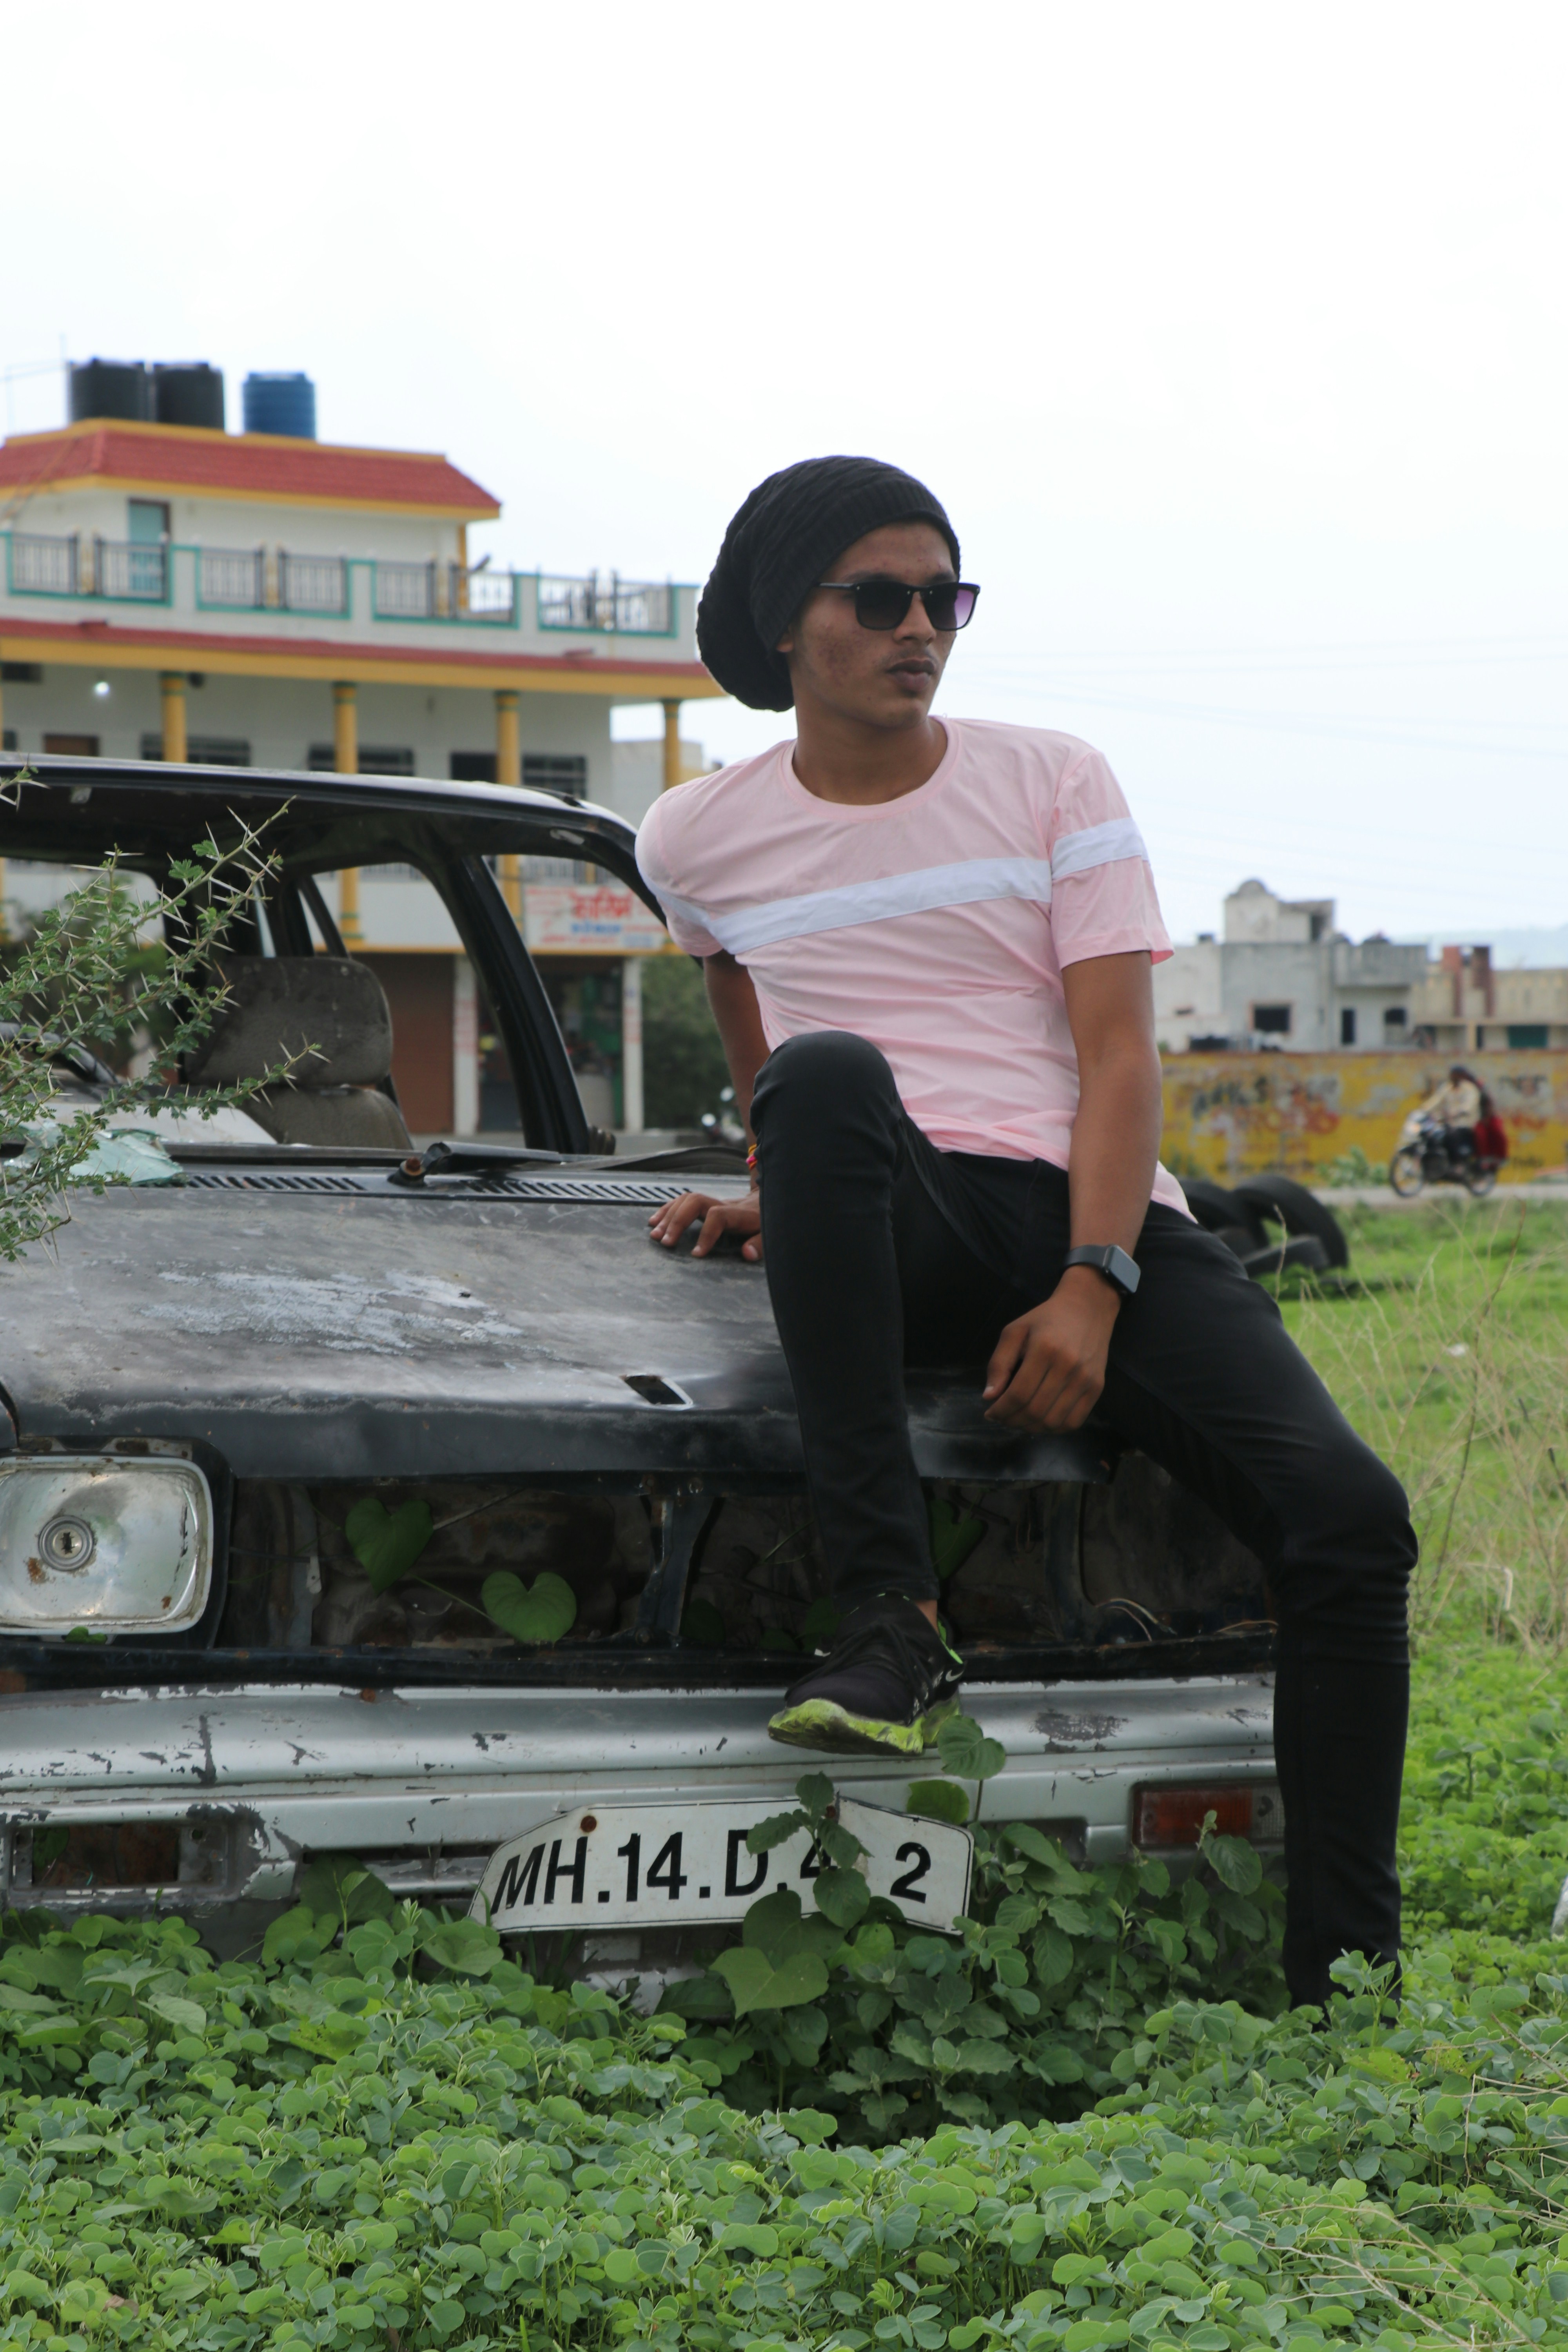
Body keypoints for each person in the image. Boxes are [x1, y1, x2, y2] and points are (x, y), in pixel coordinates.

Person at [636, 455, 1416, 2009]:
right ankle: (890, 1618)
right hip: (901, 1206)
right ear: (788, 625)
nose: (921, 626)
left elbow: (1121, 1058)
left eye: (946, 597)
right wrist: (789, 1179)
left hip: (1087, 1214)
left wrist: (1096, 1278)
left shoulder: (1050, 778)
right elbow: (744, 995)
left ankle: (1348, 1983)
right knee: (831, 1072)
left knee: (1350, 1520)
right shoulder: (691, 837)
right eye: (881, 597)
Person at [1417, 1066, 1483, 1158]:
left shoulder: (1470, 1089)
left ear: (1461, 1076)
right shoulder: (1447, 1088)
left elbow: (1470, 1105)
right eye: (1453, 1075)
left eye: (1456, 1075)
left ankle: (1457, 1163)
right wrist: (1422, 1109)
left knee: (1452, 1136)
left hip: (1464, 1124)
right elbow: (1436, 1101)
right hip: (1447, 1123)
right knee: (1432, 1135)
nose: (1454, 1077)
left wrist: (1459, 1112)